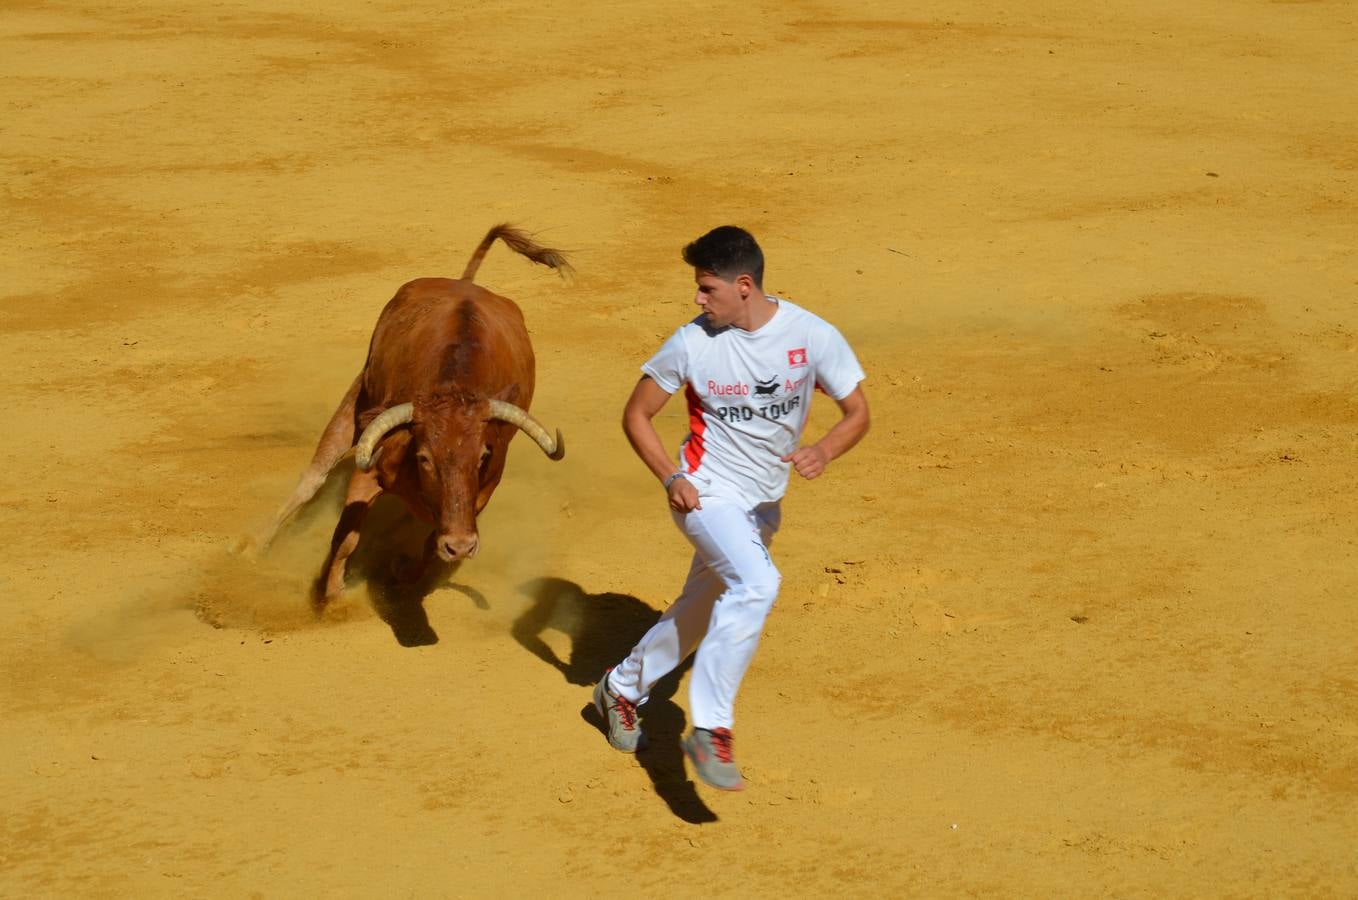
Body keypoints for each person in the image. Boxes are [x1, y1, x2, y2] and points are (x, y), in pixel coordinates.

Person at [593, 225, 870, 791]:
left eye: (707, 289)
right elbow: (636, 415)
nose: (698, 299)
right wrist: (671, 475)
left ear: (744, 285)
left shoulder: (811, 336)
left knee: (701, 607)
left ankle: (619, 688)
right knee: (757, 586)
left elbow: (857, 411)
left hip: (762, 506)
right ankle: (711, 730)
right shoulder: (691, 343)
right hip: (704, 493)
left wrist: (825, 449)